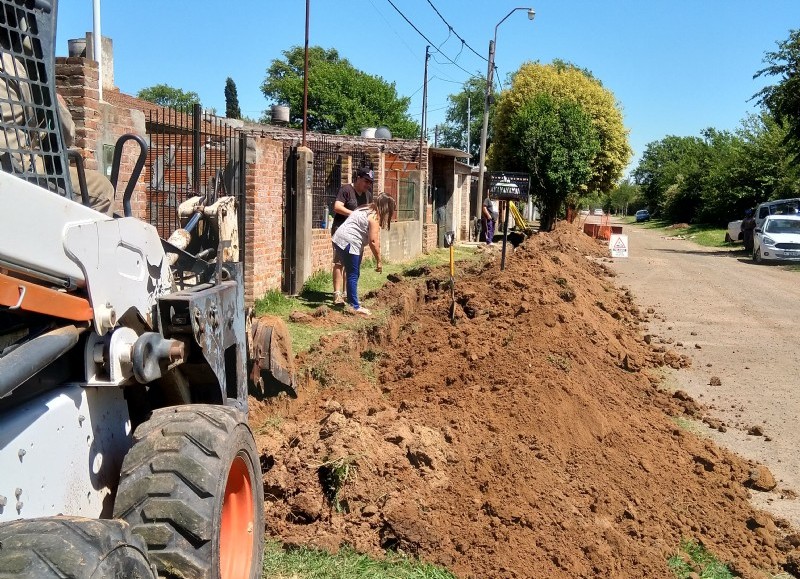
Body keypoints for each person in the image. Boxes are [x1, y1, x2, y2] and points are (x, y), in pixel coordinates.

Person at [331, 193, 396, 316]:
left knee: (352, 272)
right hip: (349, 241)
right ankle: (354, 306)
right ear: (386, 208)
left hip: (339, 239)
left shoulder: (365, 208)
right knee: (353, 274)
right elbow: (373, 241)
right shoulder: (374, 217)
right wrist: (379, 260)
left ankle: (352, 300)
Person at [330, 167, 373, 305]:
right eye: (366, 181)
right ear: (358, 178)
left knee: (353, 265)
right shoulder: (346, 190)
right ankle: (337, 295)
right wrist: (353, 214)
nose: (368, 185)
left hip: (357, 236)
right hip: (342, 232)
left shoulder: (368, 196)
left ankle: (347, 293)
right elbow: (337, 207)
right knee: (339, 263)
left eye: (370, 182)